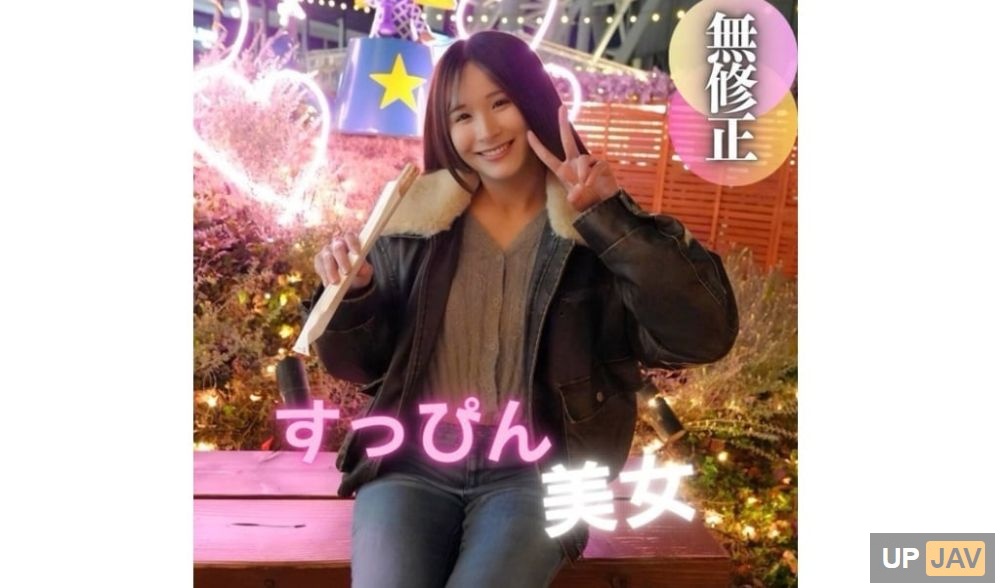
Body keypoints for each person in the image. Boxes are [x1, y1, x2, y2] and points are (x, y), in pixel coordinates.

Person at [307, 30, 739, 588]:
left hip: (538, 475)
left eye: (501, 103)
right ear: (444, 128)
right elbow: (357, 366)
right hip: (410, 461)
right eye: (462, 115)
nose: (486, 131)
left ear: (532, 101)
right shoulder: (413, 224)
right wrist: (354, 294)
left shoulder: (594, 228)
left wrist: (612, 222)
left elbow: (704, 335)